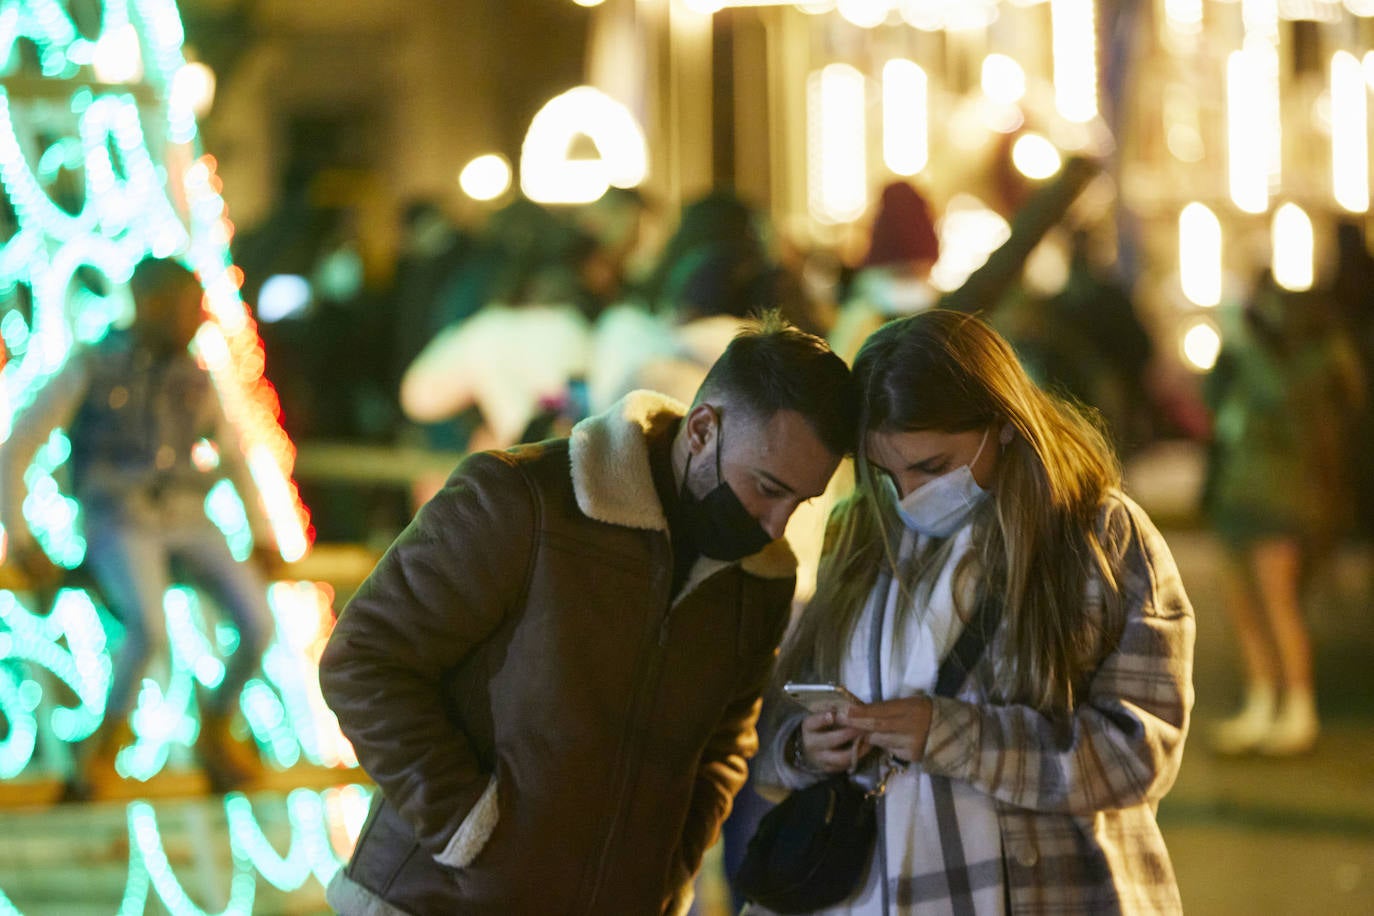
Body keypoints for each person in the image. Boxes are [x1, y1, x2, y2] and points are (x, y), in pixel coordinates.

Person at [318, 312, 858, 915]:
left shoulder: (761, 580)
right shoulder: (523, 499)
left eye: (800, 502)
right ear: (703, 428)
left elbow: (722, 744)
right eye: (767, 487)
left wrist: (665, 871)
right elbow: (364, 657)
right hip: (433, 901)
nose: (778, 523)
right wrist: (465, 826)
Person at [753, 309, 1195, 914]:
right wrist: (805, 745)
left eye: (932, 468)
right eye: (885, 473)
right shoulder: (859, 529)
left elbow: (1140, 752)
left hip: (1041, 891)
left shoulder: (1097, 535)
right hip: (870, 893)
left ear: (1005, 424)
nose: (910, 496)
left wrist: (951, 734)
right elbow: (782, 707)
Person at [1, 256, 275, 799]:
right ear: (150, 305)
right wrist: (23, 540)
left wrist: (263, 533)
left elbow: (236, 457)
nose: (198, 319)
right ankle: (103, 747)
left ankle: (216, 729)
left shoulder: (196, 375)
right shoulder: (92, 367)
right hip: (119, 518)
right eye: (185, 307)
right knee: (148, 628)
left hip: (189, 518)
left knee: (259, 623)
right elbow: (16, 452)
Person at [1201, 270, 1365, 756]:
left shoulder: (1312, 362)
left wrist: (1247, 348)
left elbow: (1283, 402)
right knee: (1242, 603)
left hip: (1282, 496)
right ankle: (1261, 698)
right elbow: (1214, 405)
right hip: (1235, 493)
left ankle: (1297, 705)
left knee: (1277, 601)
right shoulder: (1251, 358)